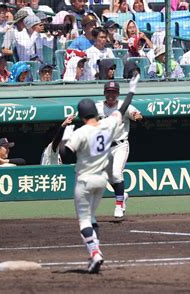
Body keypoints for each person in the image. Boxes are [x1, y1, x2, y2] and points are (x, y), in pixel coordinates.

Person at [59, 73, 140, 274]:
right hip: (101, 181)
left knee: (84, 221)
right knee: (92, 218)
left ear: (81, 115)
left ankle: (95, 253)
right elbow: (121, 109)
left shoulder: (80, 132)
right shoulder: (108, 125)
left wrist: (65, 133)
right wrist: (131, 90)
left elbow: (65, 156)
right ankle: (95, 251)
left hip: (85, 181)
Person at [95, 80, 143, 218]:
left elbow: (136, 114)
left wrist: (137, 116)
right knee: (109, 178)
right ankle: (123, 195)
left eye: (114, 92)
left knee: (117, 174)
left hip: (120, 145)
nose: (111, 95)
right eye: (109, 92)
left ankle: (119, 204)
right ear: (104, 93)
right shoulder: (98, 107)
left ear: (118, 93)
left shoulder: (124, 106)